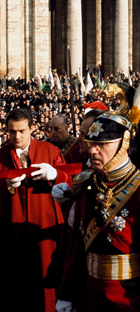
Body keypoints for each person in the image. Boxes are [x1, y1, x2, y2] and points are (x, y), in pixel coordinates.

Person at [56, 112, 140, 312]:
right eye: (91, 143)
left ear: (123, 145)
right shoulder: (86, 183)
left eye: (103, 144)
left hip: (130, 297)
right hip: (89, 293)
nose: (93, 150)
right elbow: (76, 244)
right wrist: (66, 292)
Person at [0, 108, 71, 312]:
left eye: (21, 130)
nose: (17, 136)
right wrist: (5, 186)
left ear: (32, 128)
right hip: (13, 230)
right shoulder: (1, 155)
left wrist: (56, 175)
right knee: (18, 279)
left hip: (45, 225)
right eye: (12, 131)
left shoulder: (50, 151)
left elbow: (70, 183)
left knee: (47, 277)